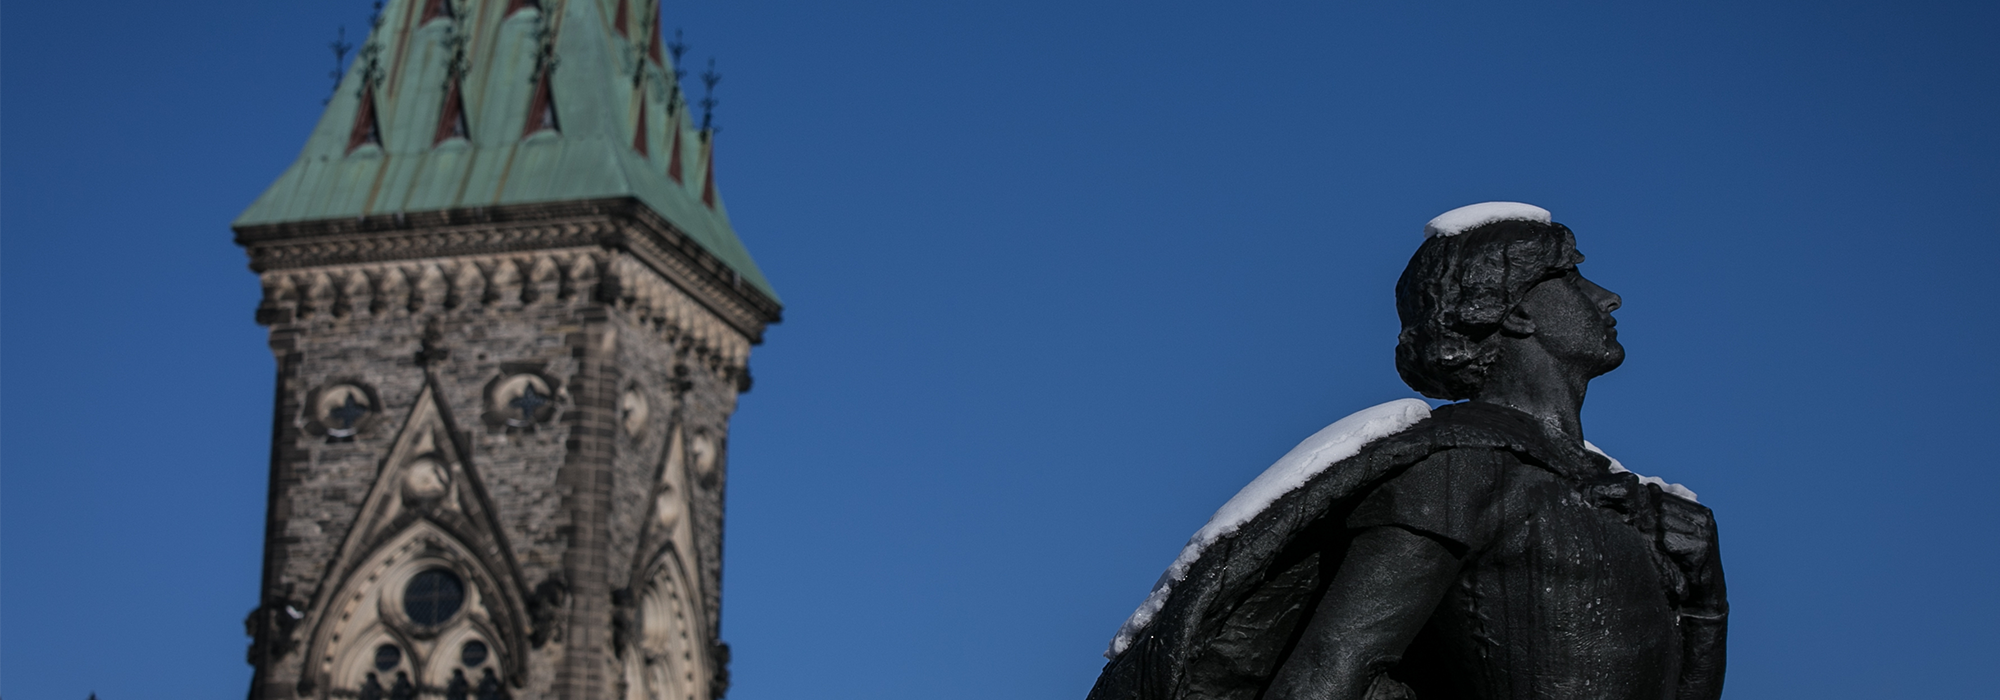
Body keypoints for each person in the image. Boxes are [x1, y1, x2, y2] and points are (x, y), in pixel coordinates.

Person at [1088, 204, 1726, 700]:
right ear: (1509, 309)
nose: (1606, 297)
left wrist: (1703, 598)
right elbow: (1325, 679)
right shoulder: (1462, 465)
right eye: (1572, 277)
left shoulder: (1619, 501)